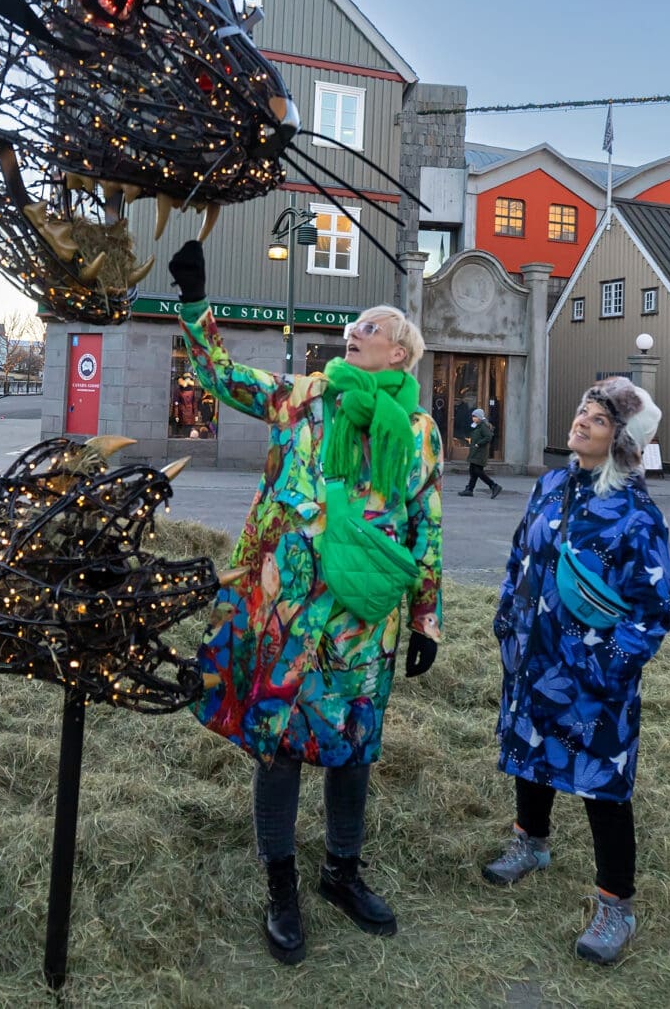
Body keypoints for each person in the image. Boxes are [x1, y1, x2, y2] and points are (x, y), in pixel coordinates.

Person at [166, 239, 442, 965]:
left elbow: (426, 521)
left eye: (369, 327)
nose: (354, 332)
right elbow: (221, 377)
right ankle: (281, 883)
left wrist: (426, 615)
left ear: (400, 353)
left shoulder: (419, 432)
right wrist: (195, 303)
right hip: (286, 608)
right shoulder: (305, 397)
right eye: (352, 326)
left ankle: (341, 871)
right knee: (280, 744)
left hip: (363, 620)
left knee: (353, 746)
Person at [485, 376, 670, 965]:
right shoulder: (551, 484)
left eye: (599, 417)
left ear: (623, 439)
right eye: (582, 411)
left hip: (594, 675)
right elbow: (520, 554)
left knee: (603, 782)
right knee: (531, 749)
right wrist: (507, 620)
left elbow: (653, 609)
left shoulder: (637, 515)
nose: (582, 421)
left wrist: (609, 665)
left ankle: (616, 903)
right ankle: (530, 843)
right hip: (534, 655)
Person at [460, 407, 504, 498]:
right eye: (473, 416)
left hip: (480, 452)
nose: (473, 418)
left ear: (480, 417)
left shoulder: (483, 426)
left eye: (475, 417)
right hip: (476, 451)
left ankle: (493, 485)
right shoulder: (477, 425)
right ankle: (469, 489)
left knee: (477, 471)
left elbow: (488, 437)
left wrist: (478, 444)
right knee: (473, 470)